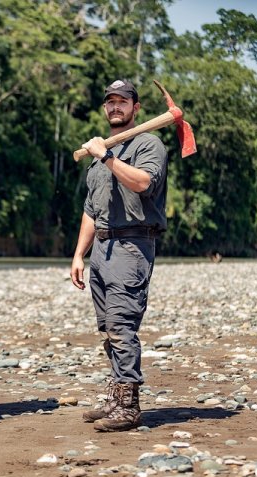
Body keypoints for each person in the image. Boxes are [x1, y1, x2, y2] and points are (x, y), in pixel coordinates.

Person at [70, 80, 169, 432]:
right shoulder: (98, 157)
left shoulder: (148, 143)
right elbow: (89, 210)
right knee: (106, 329)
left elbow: (143, 182)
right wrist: (79, 254)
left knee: (122, 325)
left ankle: (130, 405)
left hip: (133, 244)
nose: (115, 107)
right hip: (101, 246)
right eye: (110, 102)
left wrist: (108, 157)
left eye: (122, 102)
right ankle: (115, 394)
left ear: (135, 108)